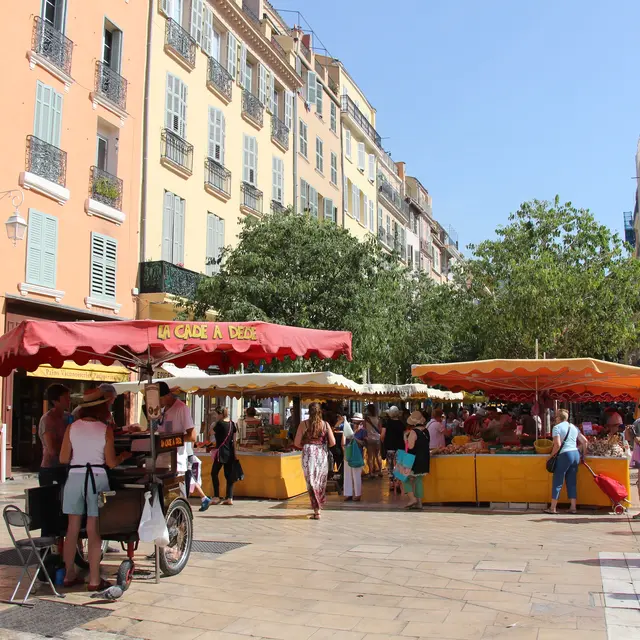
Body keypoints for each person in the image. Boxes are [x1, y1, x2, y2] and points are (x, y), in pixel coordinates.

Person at [59, 389, 131, 590]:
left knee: (72, 529)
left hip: (74, 477)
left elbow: (63, 458)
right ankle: (93, 579)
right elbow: (111, 462)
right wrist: (123, 457)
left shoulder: (71, 427)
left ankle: (69, 574)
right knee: (93, 529)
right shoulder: (104, 429)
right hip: (97, 479)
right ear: (103, 408)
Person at [158, 382, 212, 511]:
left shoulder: (181, 408)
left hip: (176, 463)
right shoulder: (163, 410)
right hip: (162, 462)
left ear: (165, 396)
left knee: (176, 503)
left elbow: (192, 436)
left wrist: (169, 440)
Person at [294, 402, 336, 519]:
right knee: (319, 481)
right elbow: (333, 442)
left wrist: (306, 443)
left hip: (308, 453)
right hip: (321, 454)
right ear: (320, 412)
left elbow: (296, 443)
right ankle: (318, 508)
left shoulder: (303, 424)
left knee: (311, 482)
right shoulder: (325, 425)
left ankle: (316, 510)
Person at [545, 409, 588, 515]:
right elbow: (585, 441)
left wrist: (550, 456)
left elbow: (557, 445)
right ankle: (573, 507)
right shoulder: (573, 427)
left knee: (558, 481)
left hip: (565, 455)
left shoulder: (556, 428)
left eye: (555, 417)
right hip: (575, 454)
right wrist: (584, 456)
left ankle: (553, 508)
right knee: (572, 481)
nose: (555, 419)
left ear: (559, 418)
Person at [38, 384, 71, 489]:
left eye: (69, 397)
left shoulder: (68, 417)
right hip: (50, 469)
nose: (68, 400)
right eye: (65, 398)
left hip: (65, 467)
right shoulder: (48, 420)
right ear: (55, 401)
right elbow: (52, 449)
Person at [210, 406, 238, 505]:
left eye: (217, 414)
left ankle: (216, 496)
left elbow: (211, 432)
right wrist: (235, 454)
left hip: (221, 452)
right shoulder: (232, 424)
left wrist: (214, 424)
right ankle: (229, 497)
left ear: (220, 414)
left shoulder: (219, 424)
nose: (216, 416)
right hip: (230, 452)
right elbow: (234, 441)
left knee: (214, 473)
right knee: (229, 475)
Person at [403, 411, 431, 510]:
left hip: (413, 459)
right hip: (424, 459)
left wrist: (405, 438)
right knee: (419, 480)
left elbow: (410, 446)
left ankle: (412, 499)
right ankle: (419, 503)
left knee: (404, 478)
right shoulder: (426, 431)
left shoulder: (413, 432)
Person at [381, 406, 405, 492]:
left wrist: (384, 442)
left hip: (390, 447)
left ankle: (391, 483)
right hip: (400, 447)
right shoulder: (401, 424)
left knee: (390, 466)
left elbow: (382, 435)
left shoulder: (386, 423)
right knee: (399, 465)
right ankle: (398, 482)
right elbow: (404, 436)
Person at [342, 413, 364, 502]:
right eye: (354, 422)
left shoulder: (363, 431)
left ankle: (358, 494)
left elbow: (363, 443)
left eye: (358, 422)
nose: (355, 424)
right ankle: (348, 494)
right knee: (347, 474)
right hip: (348, 453)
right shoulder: (347, 428)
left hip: (358, 454)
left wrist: (354, 436)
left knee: (356, 475)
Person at [363, 404, 382, 478]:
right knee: (378, 455)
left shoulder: (366, 420)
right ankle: (380, 471)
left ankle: (371, 473)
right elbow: (380, 430)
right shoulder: (378, 419)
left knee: (370, 457)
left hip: (369, 439)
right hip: (377, 439)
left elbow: (364, 430)